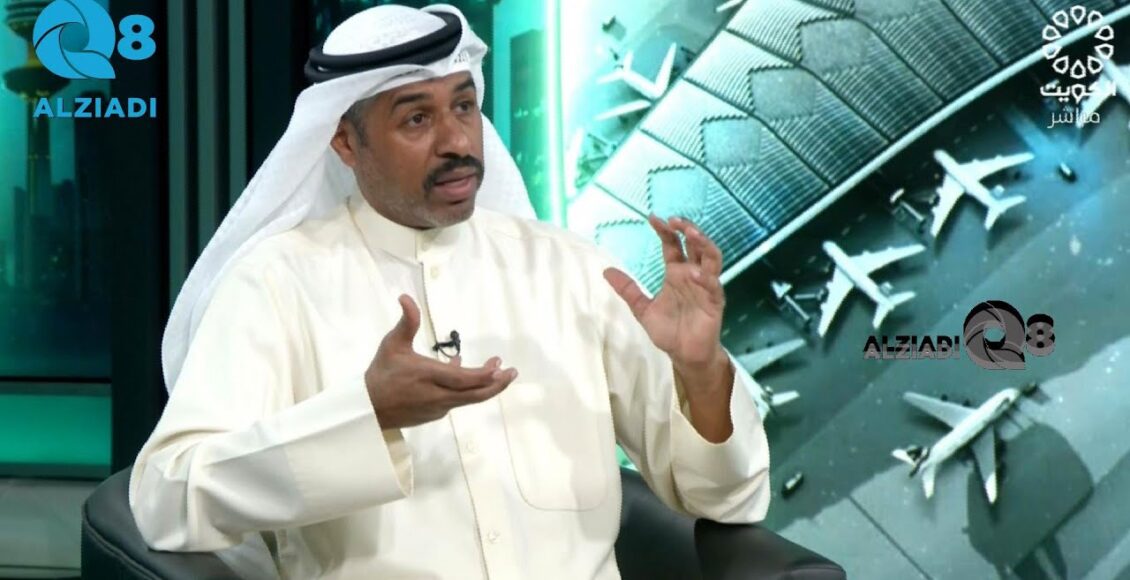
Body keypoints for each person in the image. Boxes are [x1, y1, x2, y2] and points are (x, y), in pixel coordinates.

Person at [129, 4, 770, 579]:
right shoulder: (277, 284)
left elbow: (728, 499)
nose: (458, 142)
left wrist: (701, 372)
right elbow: (165, 500)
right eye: (417, 119)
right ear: (346, 142)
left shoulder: (571, 271)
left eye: (464, 107)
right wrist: (366, 415)